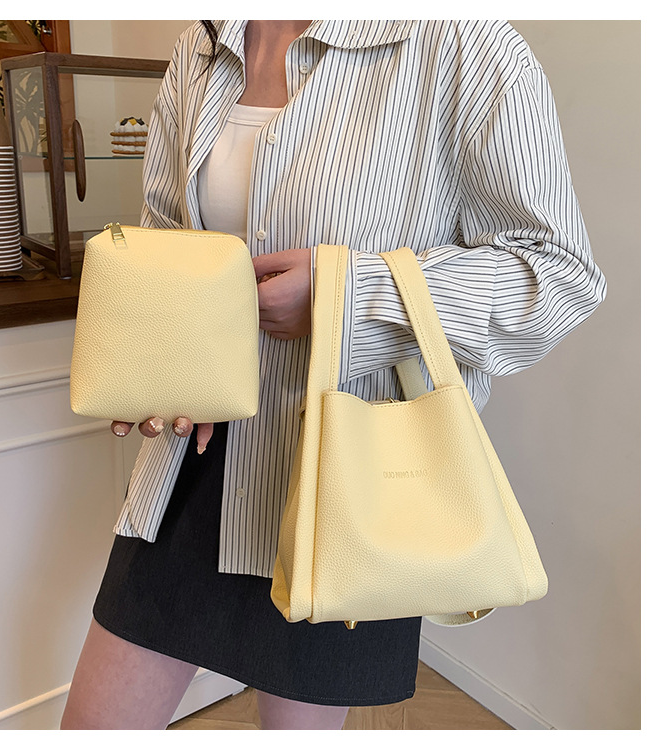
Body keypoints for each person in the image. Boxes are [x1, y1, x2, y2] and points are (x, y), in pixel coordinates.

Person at [61, 20, 606, 730]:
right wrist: (163, 363)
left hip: (349, 485)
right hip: (192, 468)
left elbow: (558, 277)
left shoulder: (462, 43)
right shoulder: (200, 47)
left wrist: (346, 296)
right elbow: (166, 239)